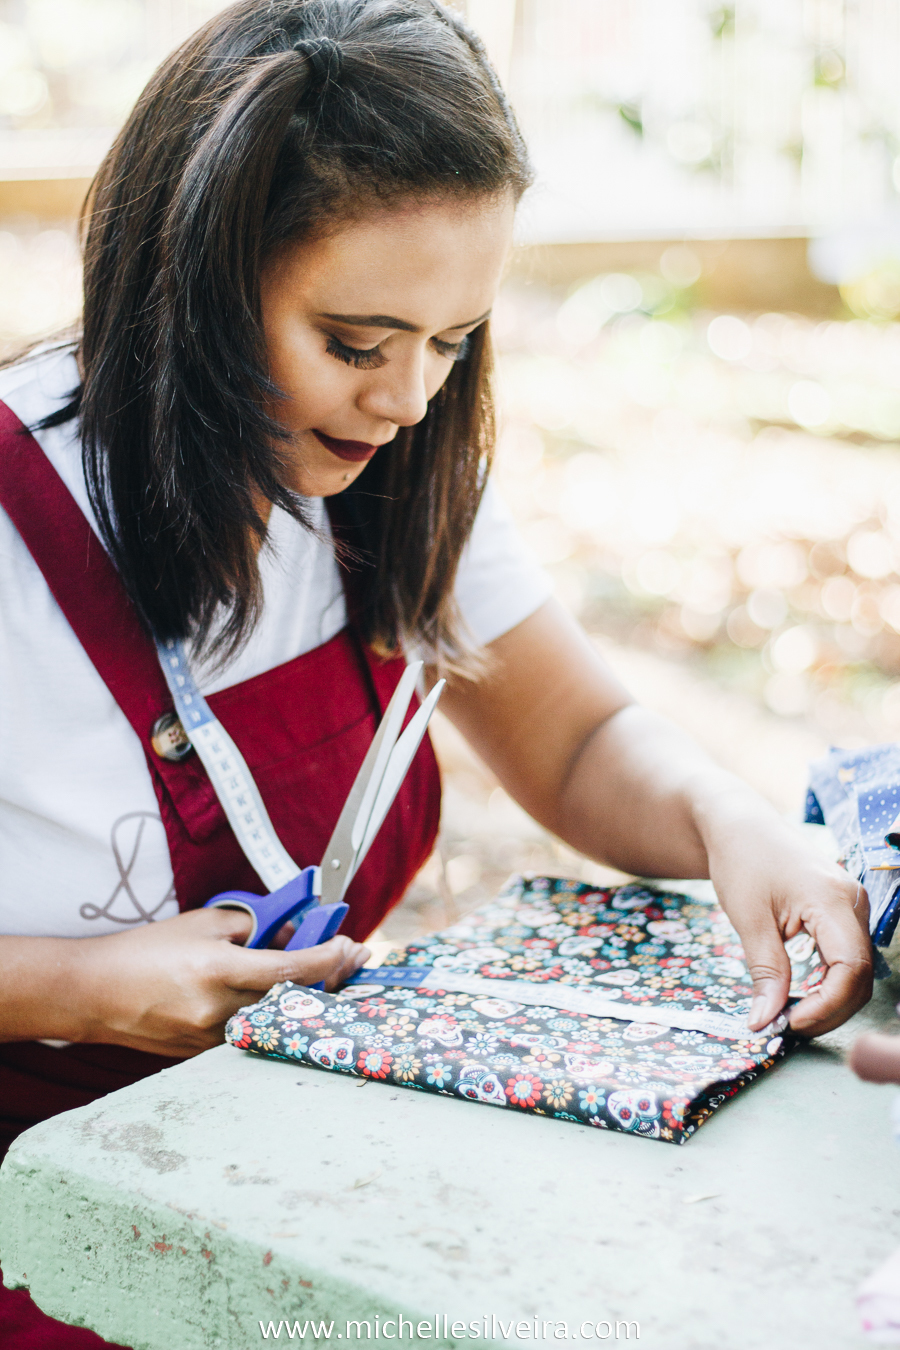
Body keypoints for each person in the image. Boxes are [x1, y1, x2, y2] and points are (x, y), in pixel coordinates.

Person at [0, 0, 873, 1343]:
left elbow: (573, 739)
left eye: (454, 341)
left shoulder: (384, 472)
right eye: (356, 343)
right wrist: (81, 987)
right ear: (194, 282)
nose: (408, 400)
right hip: (45, 1214)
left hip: (301, 1171)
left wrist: (728, 820)